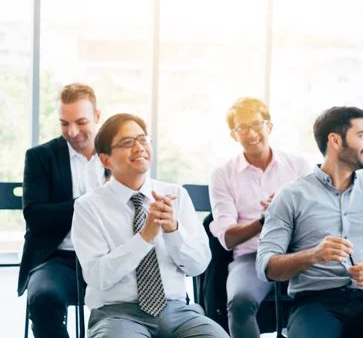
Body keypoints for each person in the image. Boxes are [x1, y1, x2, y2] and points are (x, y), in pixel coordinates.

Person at [72, 113, 228, 338]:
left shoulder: (176, 195)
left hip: (177, 312)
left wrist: (174, 230)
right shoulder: (88, 206)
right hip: (116, 314)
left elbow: (198, 266)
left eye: (143, 139)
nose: (139, 148)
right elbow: (98, 277)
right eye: (127, 143)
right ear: (106, 160)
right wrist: (145, 237)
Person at [256, 106, 363, 338]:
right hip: (315, 304)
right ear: (334, 140)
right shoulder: (291, 195)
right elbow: (266, 266)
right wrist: (313, 255)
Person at [209, 97, 311, 338]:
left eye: (256, 124)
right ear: (233, 135)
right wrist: (265, 220)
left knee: (334, 294)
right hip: (252, 256)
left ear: (270, 127)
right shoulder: (223, 174)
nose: (251, 133)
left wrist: (285, 209)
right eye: (241, 128)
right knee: (240, 301)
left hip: (298, 251)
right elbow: (227, 238)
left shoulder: (298, 166)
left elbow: (315, 218)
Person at [19, 83, 105, 338]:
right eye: (64, 123)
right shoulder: (40, 157)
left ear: (97, 116)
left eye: (80, 122)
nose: (73, 131)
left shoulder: (117, 154)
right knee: (44, 298)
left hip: (109, 258)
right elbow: (36, 216)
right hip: (57, 259)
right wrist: (91, 201)